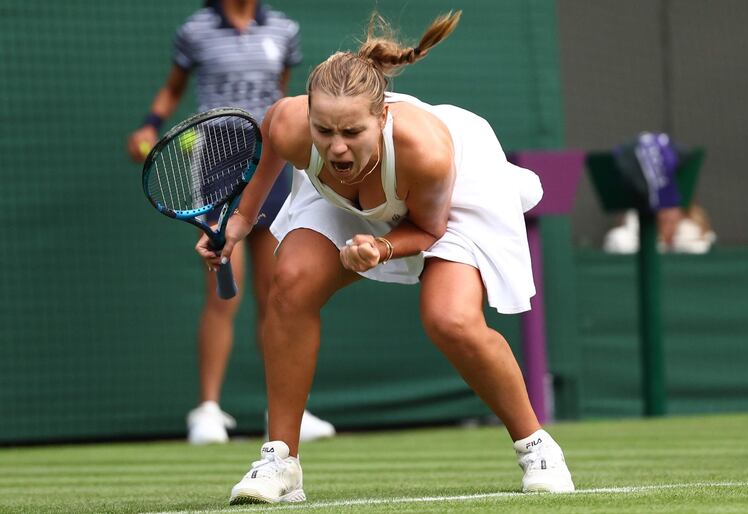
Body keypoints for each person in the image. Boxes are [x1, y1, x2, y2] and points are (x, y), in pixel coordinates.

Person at [196, 10, 575, 504]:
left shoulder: (426, 151)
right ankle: (280, 461)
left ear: (382, 116)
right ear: (309, 115)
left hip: (448, 200)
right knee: (289, 284)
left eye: (351, 132)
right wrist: (239, 226)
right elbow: (267, 158)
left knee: (451, 319)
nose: (335, 148)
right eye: (324, 130)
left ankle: (536, 446)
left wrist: (381, 247)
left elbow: (429, 229)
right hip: (344, 200)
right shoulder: (289, 124)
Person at [127, 0, 335, 445]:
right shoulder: (195, 30)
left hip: (271, 160)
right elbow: (172, 88)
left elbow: (281, 96)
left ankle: (284, 409)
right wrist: (150, 126)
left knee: (276, 293)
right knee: (223, 295)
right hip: (216, 160)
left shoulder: (284, 28)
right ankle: (207, 411)